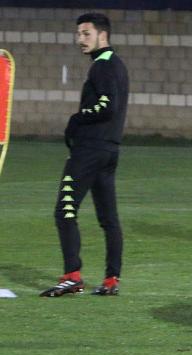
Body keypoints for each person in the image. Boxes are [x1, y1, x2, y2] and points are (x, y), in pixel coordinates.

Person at [40, 13, 129, 297]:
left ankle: (72, 276)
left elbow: (108, 106)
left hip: (90, 150)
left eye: (85, 34)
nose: (80, 39)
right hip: (109, 150)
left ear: (102, 35)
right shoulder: (118, 65)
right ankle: (112, 279)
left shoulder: (102, 66)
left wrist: (76, 119)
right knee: (108, 218)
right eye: (78, 34)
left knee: (64, 212)